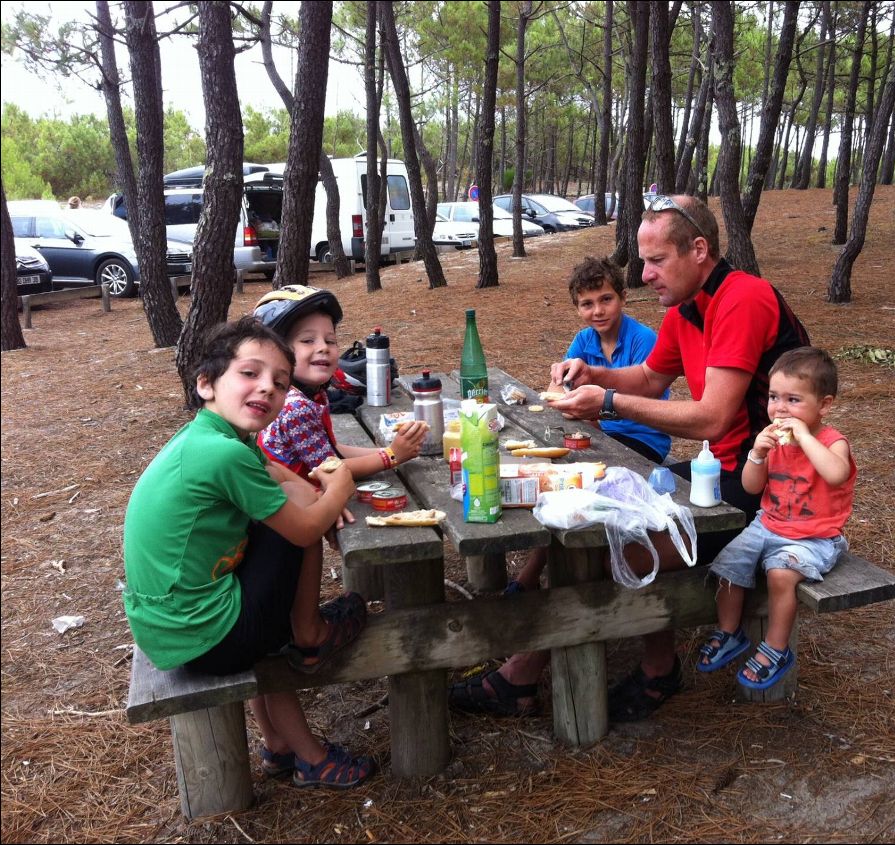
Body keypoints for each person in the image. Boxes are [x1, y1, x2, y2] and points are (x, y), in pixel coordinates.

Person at [450, 194, 809, 721]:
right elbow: (649, 378)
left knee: (607, 548)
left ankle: (530, 677)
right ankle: (641, 667)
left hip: (773, 493)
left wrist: (609, 402)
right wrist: (594, 375)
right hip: (727, 472)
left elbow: (711, 416)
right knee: (597, 514)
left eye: (657, 260)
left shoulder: (743, 298)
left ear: (700, 250)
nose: (644, 275)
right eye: (643, 262)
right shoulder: (688, 310)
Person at [123, 316, 375, 788]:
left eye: (280, 383)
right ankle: (312, 635)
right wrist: (337, 487)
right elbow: (300, 531)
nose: (267, 389)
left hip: (174, 626)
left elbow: (282, 479)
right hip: (205, 637)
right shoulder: (224, 454)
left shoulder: (214, 436)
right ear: (205, 384)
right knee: (287, 530)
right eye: (250, 373)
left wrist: (313, 494)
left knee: (283, 512)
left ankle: (281, 745)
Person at [504, 257, 671, 594]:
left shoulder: (644, 340)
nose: (598, 311)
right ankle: (542, 573)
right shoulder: (584, 341)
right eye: (587, 304)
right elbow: (557, 392)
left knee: (579, 490)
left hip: (641, 441)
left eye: (606, 299)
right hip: (596, 438)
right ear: (577, 307)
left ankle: (544, 577)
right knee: (557, 482)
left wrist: (593, 413)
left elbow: (648, 407)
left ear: (623, 297)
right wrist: (567, 397)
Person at [695, 347, 855, 689]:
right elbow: (752, 487)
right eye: (773, 397)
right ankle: (729, 631)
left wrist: (805, 438)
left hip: (814, 536)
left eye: (793, 400)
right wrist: (756, 453)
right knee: (727, 564)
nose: (780, 408)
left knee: (781, 575)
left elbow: (836, 474)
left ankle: (776, 647)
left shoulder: (831, 442)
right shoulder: (771, 440)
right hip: (768, 524)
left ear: (824, 405)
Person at [254, 285, 428, 486]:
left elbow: (332, 449)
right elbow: (328, 470)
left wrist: (391, 450)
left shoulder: (312, 395)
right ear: (276, 352)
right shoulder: (295, 407)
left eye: (330, 340)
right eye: (308, 340)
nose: (323, 348)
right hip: (298, 505)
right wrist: (392, 455)